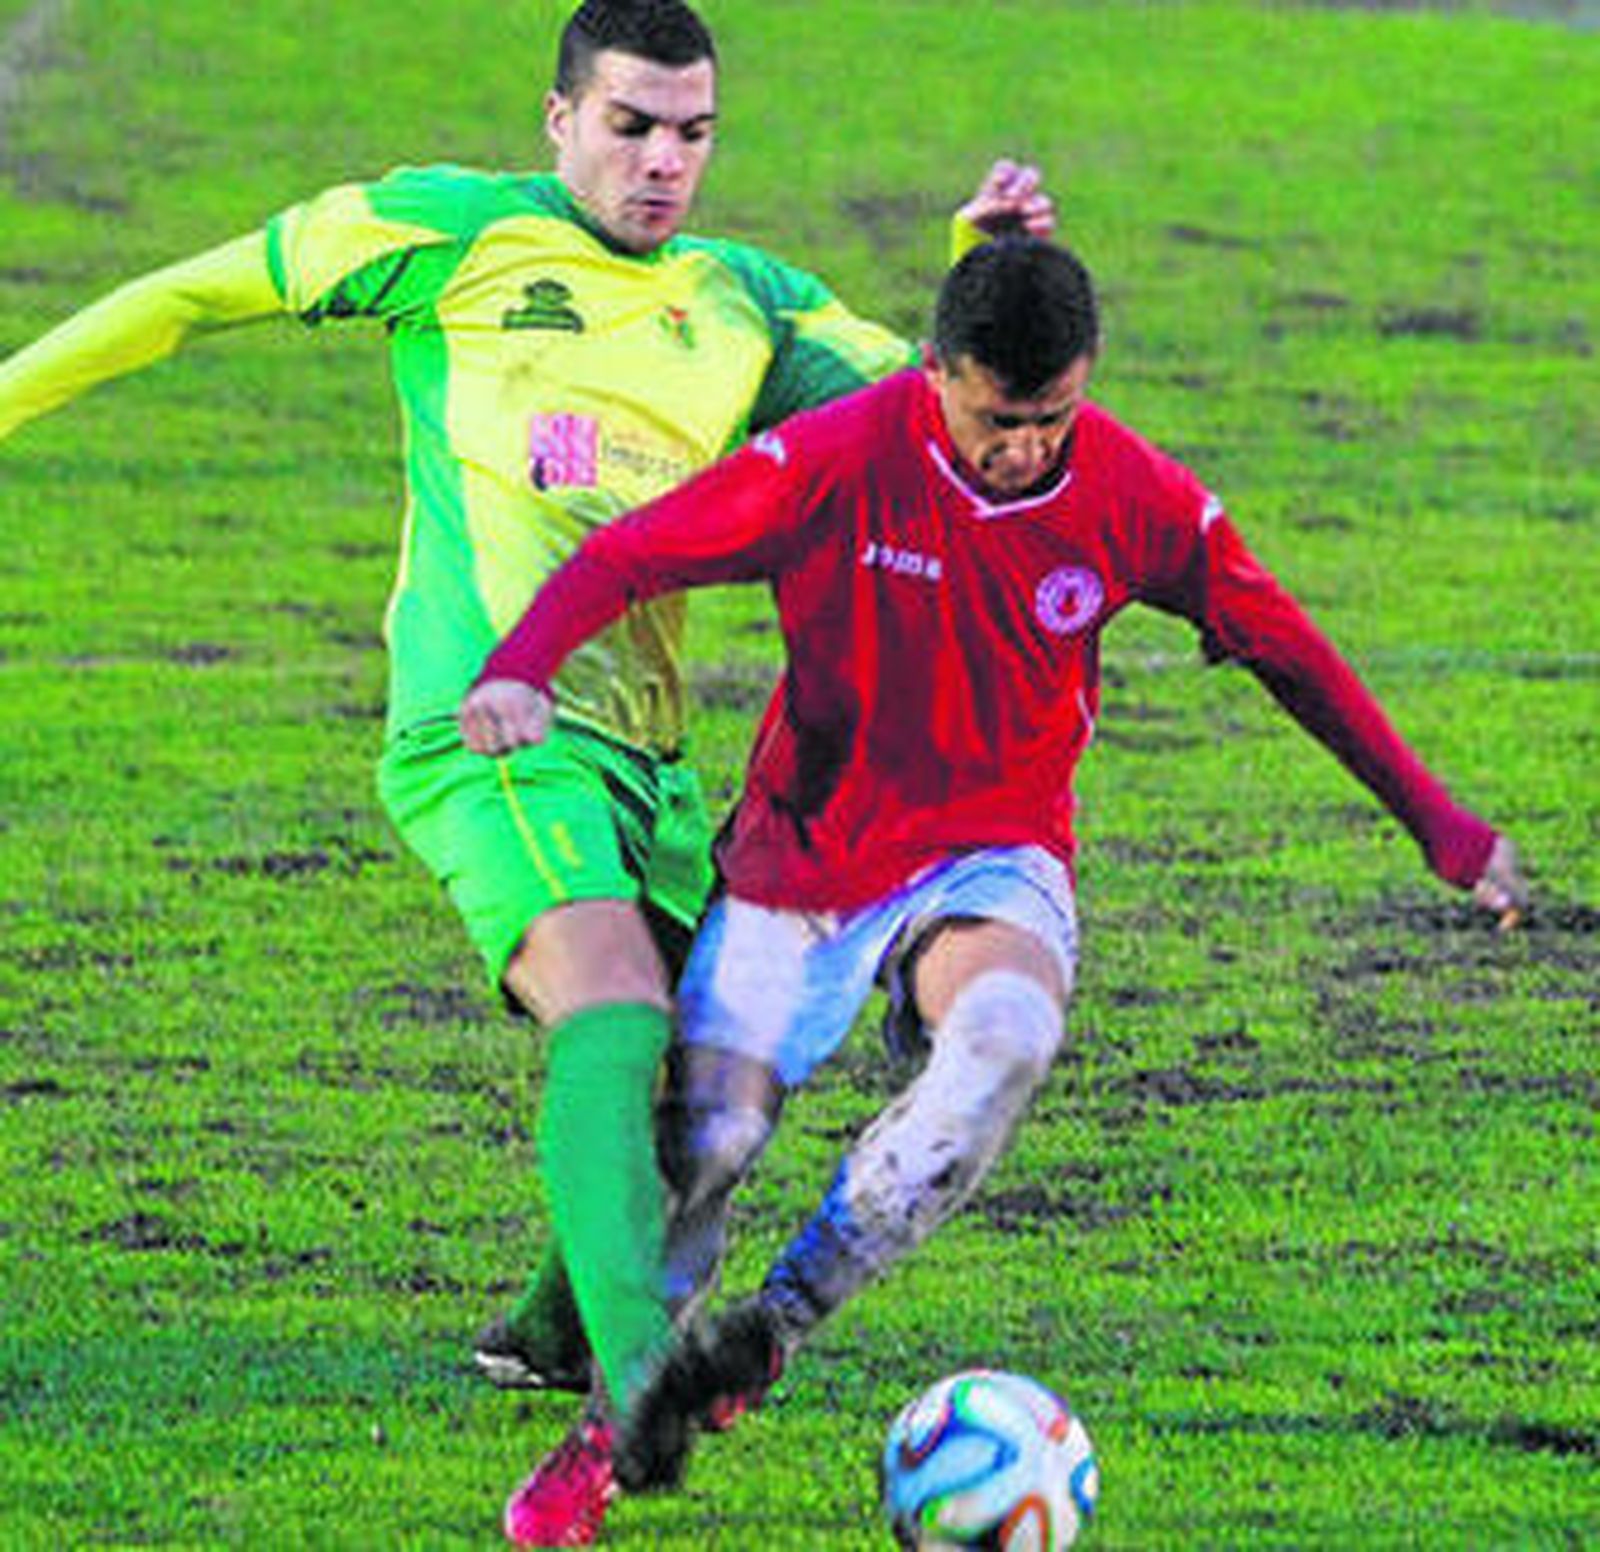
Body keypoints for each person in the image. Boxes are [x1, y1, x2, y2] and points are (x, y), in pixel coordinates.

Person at [0, 0, 1057, 1527]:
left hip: (650, 764)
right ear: (557, 119)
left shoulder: (742, 300)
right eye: (629, 126)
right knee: (611, 1005)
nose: (661, 163)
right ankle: (639, 1378)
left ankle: (558, 1323)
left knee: (712, 1072)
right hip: (486, 724)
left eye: (691, 134)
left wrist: (984, 271)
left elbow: (936, 419)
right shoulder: (450, 235)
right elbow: (185, 296)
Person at [461, 233, 1529, 1516]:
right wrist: (520, 663)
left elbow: (1289, 648)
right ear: (935, 376)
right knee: (709, 1141)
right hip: (803, 858)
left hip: (993, 854)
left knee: (1007, 1037)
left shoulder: (1134, 497)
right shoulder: (835, 461)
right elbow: (629, 554)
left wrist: (1441, 826)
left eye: (1051, 417)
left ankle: (777, 1325)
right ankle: (615, 1423)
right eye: (995, 420)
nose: (1024, 447)